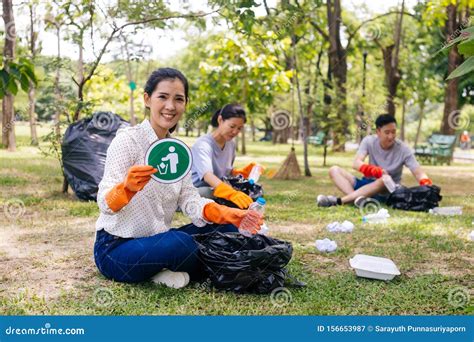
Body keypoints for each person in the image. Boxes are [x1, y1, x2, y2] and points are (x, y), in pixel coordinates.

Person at [94, 68, 262, 289]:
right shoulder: (128, 141)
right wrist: (125, 189)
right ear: (147, 99)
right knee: (181, 244)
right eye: (162, 97)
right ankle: (171, 266)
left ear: (185, 104)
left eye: (178, 99)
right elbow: (105, 204)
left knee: (229, 231)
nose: (170, 106)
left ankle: (162, 269)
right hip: (117, 248)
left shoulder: (178, 151)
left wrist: (228, 214)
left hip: (158, 240)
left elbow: (190, 200)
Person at [317, 114, 433, 207]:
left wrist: (427, 186)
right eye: (387, 132)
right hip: (366, 183)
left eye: (393, 132)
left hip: (387, 191)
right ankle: (357, 199)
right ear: (378, 131)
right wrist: (375, 171)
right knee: (334, 170)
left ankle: (338, 201)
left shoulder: (403, 149)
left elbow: (418, 172)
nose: (391, 136)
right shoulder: (369, 141)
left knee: (384, 180)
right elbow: (356, 163)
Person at [191, 103, 258, 209]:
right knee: (209, 192)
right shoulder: (203, 145)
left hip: (219, 189)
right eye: (232, 126)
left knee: (252, 191)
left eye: (239, 128)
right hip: (197, 190)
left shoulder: (230, 144)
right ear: (220, 120)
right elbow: (208, 176)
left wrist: (243, 173)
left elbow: (227, 173)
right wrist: (231, 194)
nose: (235, 131)